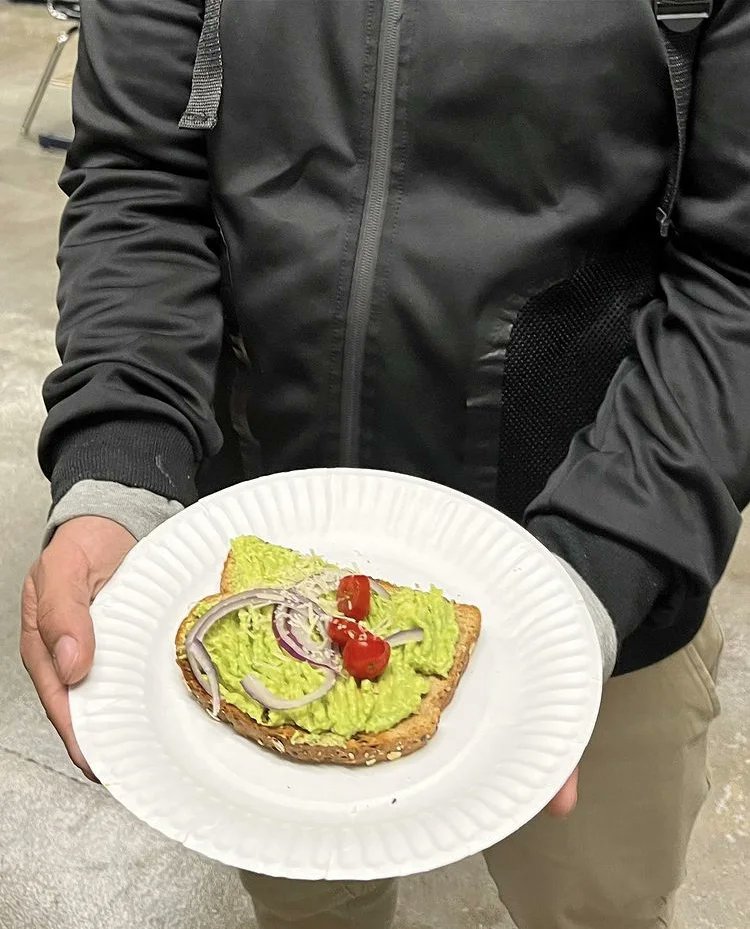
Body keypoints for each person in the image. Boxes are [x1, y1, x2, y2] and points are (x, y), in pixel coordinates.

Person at [20, 2, 748, 928]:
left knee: (594, 901)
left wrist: (611, 552)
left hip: (611, 561)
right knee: (312, 906)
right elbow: (140, 178)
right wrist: (121, 459)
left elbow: (736, 277)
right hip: (262, 548)